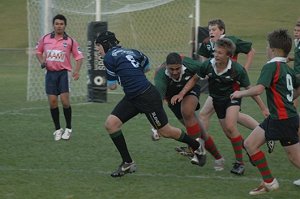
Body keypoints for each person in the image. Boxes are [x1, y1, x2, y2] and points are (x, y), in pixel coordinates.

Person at [95, 31, 206, 177]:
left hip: (146, 96)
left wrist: (118, 74)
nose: (97, 50)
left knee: (165, 131)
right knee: (111, 124)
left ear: (105, 44)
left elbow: (112, 86)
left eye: (98, 46)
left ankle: (198, 147)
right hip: (133, 96)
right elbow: (146, 66)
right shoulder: (132, 51)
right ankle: (128, 163)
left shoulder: (109, 58)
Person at [171, 38, 268, 175]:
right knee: (229, 133)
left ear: (228, 55)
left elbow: (250, 89)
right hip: (217, 101)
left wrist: (263, 108)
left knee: (230, 126)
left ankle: (239, 163)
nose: (216, 55)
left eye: (220, 53)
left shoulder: (237, 69)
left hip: (232, 99)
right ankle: (248, 148)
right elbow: (194, 79)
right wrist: (182, 93)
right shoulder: (208, 65)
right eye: (215, 51)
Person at [231, 29, 300, 195]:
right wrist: (288, 99)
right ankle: (269, 181)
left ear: (274, 50)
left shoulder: (271, 66)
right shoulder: (286, 68)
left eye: (268, 46)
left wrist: (240, 93)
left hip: (280, 119)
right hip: (286, 118)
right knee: (293, 157)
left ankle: (270, 182)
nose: (267, 49)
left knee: (251, 145)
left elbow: (259, 89)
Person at [154, 52, 225, 171]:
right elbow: (157, 104)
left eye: (178, 68)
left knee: (187, 111)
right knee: (201, 132)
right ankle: (218, 158)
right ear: (166, 67)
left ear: (182, 65)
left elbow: (208, 68)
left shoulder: (190, 64)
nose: (175, 72)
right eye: (172, 69)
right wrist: (155, 126)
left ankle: (196, 151)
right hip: (172, 99)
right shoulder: (160, 75)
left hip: (190, 91)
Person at [35, 14, 84, 141]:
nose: (59, 26)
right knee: (52, 102)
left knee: (65, 101)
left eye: (61, 24)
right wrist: (42, 62)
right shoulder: (45, 39)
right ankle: (57, 129)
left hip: (63, 73)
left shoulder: (70, 41)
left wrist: (77, 71)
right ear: (53, 25)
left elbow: (79, 57)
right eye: (57, 24)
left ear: (65, 25)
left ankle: (68, 128)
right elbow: (38, 51)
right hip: (50, 74)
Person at [287, 19, 300, 187]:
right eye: (295, 30)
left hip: (298, 80)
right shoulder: (297, 44)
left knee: (287, 103)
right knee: (290, 104)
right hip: (297, 80)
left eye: (299, 30)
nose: (296, 33)